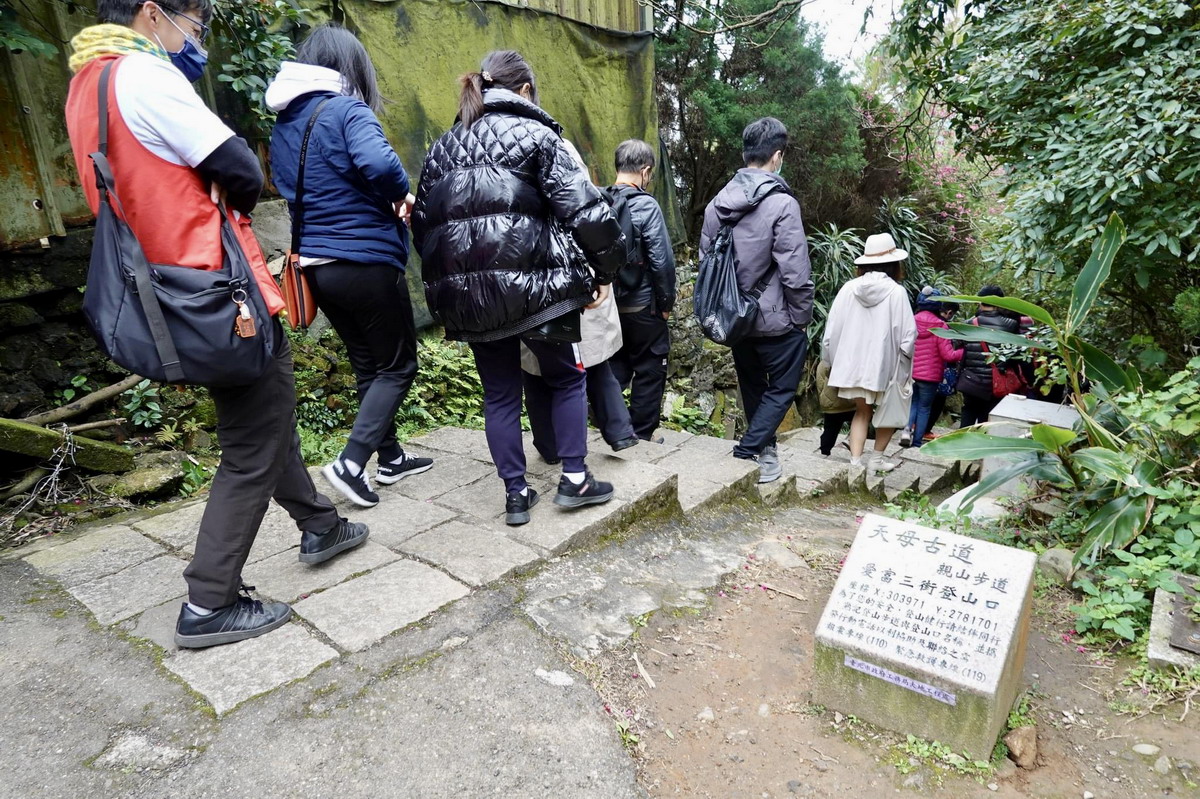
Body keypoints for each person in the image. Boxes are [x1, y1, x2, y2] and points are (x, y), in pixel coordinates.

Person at [65, 0, 367, 649]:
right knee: (257, 432)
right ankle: (209, 600)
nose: (195, 40)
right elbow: (239, 166)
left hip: (165, 288)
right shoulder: (145, 76)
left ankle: (321, 524)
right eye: (196, 26)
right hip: (215, 289)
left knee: (262, 411)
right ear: (153, 13)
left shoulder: (87, 84)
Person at [412, 50, 624, 526]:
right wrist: (606, 270)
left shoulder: (442, 147)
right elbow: (586, 213)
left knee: (500, 395)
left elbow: (422, 226)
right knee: (568, 377)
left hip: (471, 301)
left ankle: (515, 493)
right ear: (524, 90)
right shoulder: (537, 135)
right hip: (538, 289)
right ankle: (574, 480)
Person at [267, 24, 433, 509]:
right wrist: (399, 193)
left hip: (318, 266)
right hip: (364, 261)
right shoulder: (346, 109)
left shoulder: (286, 124)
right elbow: (380, 167)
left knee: (368, 362)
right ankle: (351, 463)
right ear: (349, 67)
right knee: (399, 364)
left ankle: (391, 456)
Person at [699, 118, 813, 484]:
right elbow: (795, 272)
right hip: (777, 319)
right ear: (777, 157)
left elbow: (706, 264)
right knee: (781, 388)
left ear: (745, 153)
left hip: (735, 318)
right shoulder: (781, 204)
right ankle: (749, 450)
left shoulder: (716, 205)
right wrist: (800, 317)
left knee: (752, 385)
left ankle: (767, 455)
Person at [522, 139, 637, 457]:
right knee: (587, 362)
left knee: (537, 370)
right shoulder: (553, 144)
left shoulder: (476, 146)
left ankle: (550, 445)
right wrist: (600, 272)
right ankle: (614, 435)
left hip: (520, 279)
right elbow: (586, 212)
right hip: (566, 270)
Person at [823, 233, 917, 473]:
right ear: (894, 264)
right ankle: (875, 460)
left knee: (862, 412)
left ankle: (855, 463)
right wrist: (904, 372)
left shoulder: (848, 289)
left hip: (852, 365)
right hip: (886, 367)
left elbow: (832, 330)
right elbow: (907, 336)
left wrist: (833, 362)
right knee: (889, 411)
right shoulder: (897, 293)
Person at [606, 139, 676, 442]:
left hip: (607, 306)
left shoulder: (599, 201)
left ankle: (610, 426)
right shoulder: (646, 204)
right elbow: (661, 260)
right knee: (649, 369)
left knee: (614, 366)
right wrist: (665, 303)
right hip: (643, 307)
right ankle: (641, 436)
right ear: (645, 171)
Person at [900, 287, 963, 448]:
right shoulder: (940, 326)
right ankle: (917, 443)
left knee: (912, 403)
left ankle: (906, 430)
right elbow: (948, 355)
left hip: (910, 372)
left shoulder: (910, 320)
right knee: (924, 407)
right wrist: (963, 352)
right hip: (930, 376)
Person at [957, 285, 1021, 426]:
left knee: (968, 411)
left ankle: (960, 443)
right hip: (995, 382)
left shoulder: (968, 324)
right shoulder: (1010, 325)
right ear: (999, 303)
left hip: (971, 380)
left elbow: (958, 346)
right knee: (986, 418)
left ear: (980, 302)